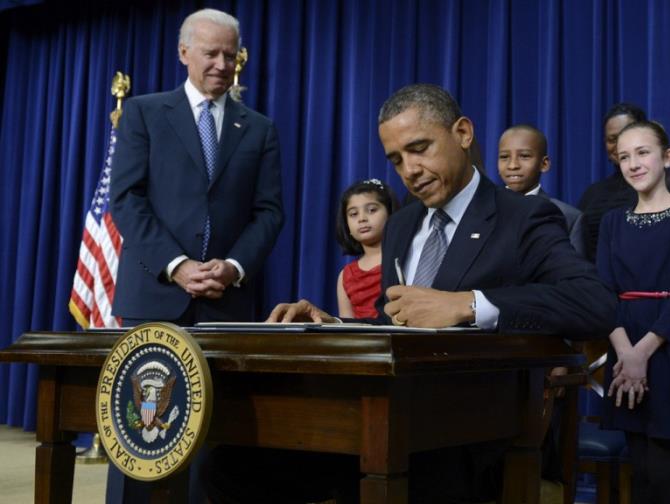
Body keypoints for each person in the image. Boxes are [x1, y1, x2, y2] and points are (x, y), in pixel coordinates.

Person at [257, 83, 617, 503]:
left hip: (472, 436)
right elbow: (395, 323)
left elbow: (595, 303)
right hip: (385, 419)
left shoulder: (523, 216)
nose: (409, 170)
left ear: (463, 133)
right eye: (396, 159)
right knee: (232, 467)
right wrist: (332, 324)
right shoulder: (402, 224)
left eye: (420, 148)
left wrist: (468, 305)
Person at [108, 8, 284, 503]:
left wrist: (232, 268)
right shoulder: (143, 112)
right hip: (154, 297)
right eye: (211, 53)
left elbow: (269, 213)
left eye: (231, 54)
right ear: (184, 53)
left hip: (225, 304)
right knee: (140, 439)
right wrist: (177, 265)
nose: (222, 64)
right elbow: (126, 199)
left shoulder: (260, 128)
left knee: (216, 443)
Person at [596, 120, 670, 504]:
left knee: (662, 468)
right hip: (622, 342)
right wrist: (625, 353)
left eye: (643, 152)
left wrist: (641, 353)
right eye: (624, 156)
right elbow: (604, 292)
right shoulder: (612, 222)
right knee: (639, 466)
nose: (633, 164)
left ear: (668, 158)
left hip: (668, 346)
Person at [577, 103, 670, 261]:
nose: (620, 144)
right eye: (612, 139)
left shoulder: (668, 186)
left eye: (627, 134)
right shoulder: (592, 193)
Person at [497, 124, 585, 255]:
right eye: (504, 157)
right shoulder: (480, 211)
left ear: (544, 164)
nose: (513, 165)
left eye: (524, 156)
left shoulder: (569, 217)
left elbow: (576, 272)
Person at [335, 179, 399, 318]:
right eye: (353, 214)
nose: (362, 218)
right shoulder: (345, 276)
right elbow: (346, 325)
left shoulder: (403, 259)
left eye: (371, 210)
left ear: (390, 213)